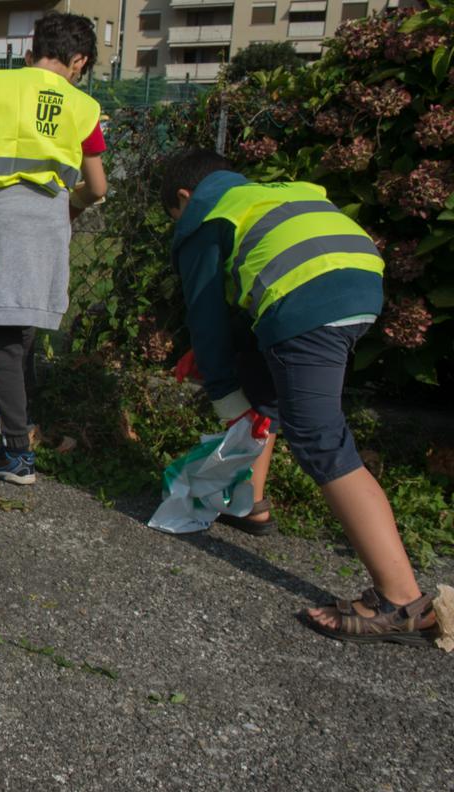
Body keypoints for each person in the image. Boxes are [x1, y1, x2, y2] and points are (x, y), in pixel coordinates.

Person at [160, 148, 444, 646]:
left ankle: (400, 600)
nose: (180, 225)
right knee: (264, 379)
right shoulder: (273, 192)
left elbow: (205, 319)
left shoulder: (207, 213)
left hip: (305, 297)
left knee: (318, 438)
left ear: (185, 197)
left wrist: (224, 395)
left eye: (174, 216)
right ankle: (250, 503)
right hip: (360, 281)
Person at [0, 13, 108, 485]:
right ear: (78, 59)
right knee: (24, 332)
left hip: (1, 220)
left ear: (34, 49)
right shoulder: (83, 106)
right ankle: (21, 432)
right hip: (51, 221)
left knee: (1, 338)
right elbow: (97, 187)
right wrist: (65, 213)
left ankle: (15, 451)